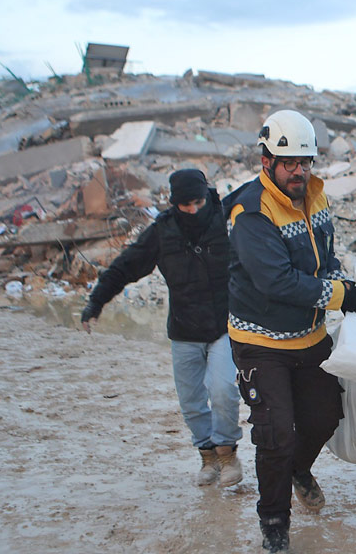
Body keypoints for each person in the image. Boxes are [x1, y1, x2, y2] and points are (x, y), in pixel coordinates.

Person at [223, 109, 356, 553]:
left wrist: (341, 281)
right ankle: (274, 525)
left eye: (305, 162)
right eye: (289, 164)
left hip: (309, 338)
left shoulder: (317, 196)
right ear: (266, 161)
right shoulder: (250, 212)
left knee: (324, 417)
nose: (299, 171)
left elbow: (324, 258)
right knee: (275, 435)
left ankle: (299, 470)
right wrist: (340, 296)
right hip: (260, 341)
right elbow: (277, 281)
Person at [80, 169, 243, 488]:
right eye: (186, 205)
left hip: (224, 323)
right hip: (184, 329)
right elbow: (125, 266)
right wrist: (95, 303)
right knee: (192, 401)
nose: (194, 210)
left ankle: (227, 453)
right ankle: (207, 456)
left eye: (197, 202)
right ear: (174, 203)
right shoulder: (162, 231)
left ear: (205, 195)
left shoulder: (225, 220)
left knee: (224, 389)